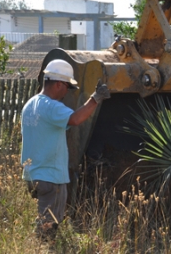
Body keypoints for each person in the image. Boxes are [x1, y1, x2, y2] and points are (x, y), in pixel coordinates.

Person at [20, 59, 111, 240]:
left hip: (33, 175)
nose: (67, 93)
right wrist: (96, 99)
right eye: (68, 87)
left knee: (42, 221)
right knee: (48, 228)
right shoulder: (51, 106)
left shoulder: (30, 105)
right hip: (50, 177)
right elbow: (75, 119)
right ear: (59, 84)